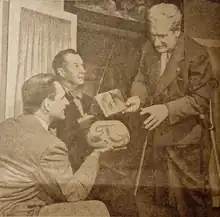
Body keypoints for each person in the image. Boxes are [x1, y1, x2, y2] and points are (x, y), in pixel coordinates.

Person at [124, 3, 214, 217]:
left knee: (192, 205)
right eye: (153, 35)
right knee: (161, 205)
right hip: (158, 140)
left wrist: (165, 109)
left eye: (162, 36)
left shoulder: (197, 54)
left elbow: (200, 100)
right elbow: (141, 79)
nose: (156, 42)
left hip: (187, 145)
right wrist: (138, 97)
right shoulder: (148, 49)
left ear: (177, 31)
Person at [0, 73, 110, 216]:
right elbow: (74, 193)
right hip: (18, 213)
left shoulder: (6, 125)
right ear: (47, 104)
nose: (67, 102)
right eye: (62, 97)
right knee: (97, 209)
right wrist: (96, 153)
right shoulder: (50, 145)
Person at [51, 49, 139, 217]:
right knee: (120, 189)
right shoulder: (54, 101)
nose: (83, 70)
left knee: (122, 185)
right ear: (62, 72)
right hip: (70, 171)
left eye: (82, 65)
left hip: (90, 165)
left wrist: (120, 109)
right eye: (76, 66)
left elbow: (106, 126)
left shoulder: (87, 100)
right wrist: (82, 126)